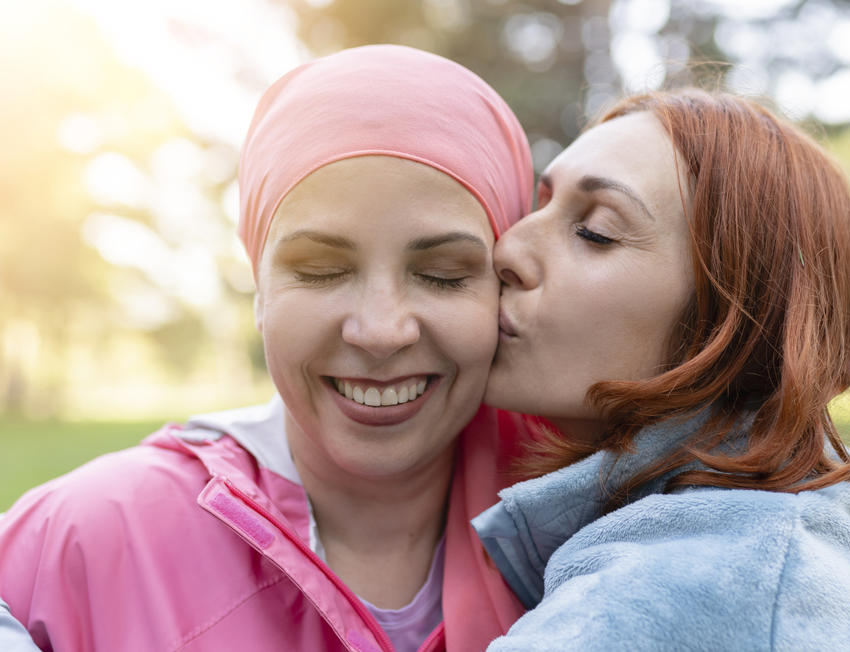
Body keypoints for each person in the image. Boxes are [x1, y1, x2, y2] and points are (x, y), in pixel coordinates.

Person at [0, 45, 533, 652]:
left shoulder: (595, 520)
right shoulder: (93, 534)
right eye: (321, 270)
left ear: (506, 286)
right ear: (259, 289)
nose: (381, 331)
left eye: (441, 273)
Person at [473, 88, 850, 650]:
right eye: (538, 206)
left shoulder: (683, 590)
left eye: (595, 231)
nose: (506, 248)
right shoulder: (799, 530)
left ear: (741, 319)